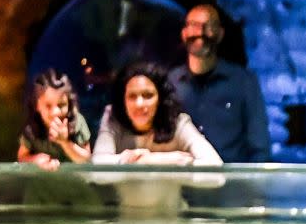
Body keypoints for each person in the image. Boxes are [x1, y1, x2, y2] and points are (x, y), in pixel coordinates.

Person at [170, 4, 271, 163]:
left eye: (208, 26)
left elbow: (259, 146)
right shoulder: (170, 83)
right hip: (182, 182)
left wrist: (253, 185)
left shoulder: (243, 81)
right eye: (194, 25)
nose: (200, 32)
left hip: (230, 184)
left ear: (220, 33)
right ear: (184, 33)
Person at [91, 61, 222, 165]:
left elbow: (216, 171)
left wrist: (136, 160)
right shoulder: (113, 118)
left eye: (148, 95)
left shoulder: (178, 122)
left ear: (161, 99)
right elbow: (98, 168)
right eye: (132, 96)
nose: (139, 104)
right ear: (122, 100)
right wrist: (158, 160)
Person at [16, 69, 92, 167]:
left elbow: (87, 160)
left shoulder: (77, 121)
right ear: (37, 105)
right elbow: (21, 157)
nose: (55, 112)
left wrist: (65, 142)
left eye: (61, 105)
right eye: (48, 105)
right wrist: (36, 160)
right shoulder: (33, 125)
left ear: (69, 103)